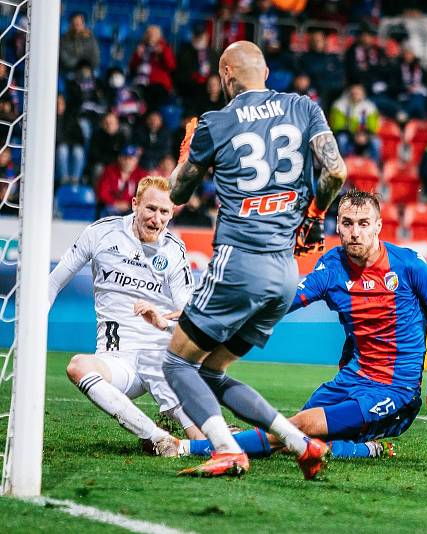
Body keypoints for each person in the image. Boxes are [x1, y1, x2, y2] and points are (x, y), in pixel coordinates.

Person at [161, 40, 347, 478]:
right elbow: (335, 171)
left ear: (227, 75)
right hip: (284, 273)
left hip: (238, 263)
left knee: (176, 362)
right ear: (265, 72)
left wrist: (189, 154)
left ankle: (225, 450)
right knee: (210, 371)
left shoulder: (216, 122)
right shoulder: (303, 107)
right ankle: (301, 443)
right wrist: (316, 215)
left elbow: (175, 194)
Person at [179, 190, 427, 460]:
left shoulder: (410, 266)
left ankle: (186, 448)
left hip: (394, 389)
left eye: (363, 223)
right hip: (351, 379)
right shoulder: (333, 267)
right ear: (339, 226)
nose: (355, 232)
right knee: (295, 440)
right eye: (347, 223)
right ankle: (362, 449)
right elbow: (285, 301)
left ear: (378, 226)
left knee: (294, 429)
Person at [48, 177, 201, 457]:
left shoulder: (174, 251)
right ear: (135, 204)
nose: (157, 219)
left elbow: (190, 317)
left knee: (205, 441)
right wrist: (33, 324)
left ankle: (210, 435)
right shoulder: (101, 234)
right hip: (117, 362)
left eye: (164, 212)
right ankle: (157, 436)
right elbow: (54, 282)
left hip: (160, 359)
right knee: (78, 366)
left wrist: (163, 321)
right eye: (151, 209)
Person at [129, 25, 177, 112]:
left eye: (154, 34)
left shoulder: (164, 47)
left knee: (154, 94)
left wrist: (162, 53)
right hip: (141, 82)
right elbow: (132, 67)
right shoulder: (141, 47)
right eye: (149, 34)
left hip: (158, 84)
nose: (151, 36)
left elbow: (171, 66)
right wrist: (137, 55)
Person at [329, 84, 381, 162]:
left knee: (376, 142)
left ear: (363, 94)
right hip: (348, 135)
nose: (355, 96)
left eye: (358, 93)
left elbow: (373, 126)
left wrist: (364, 135)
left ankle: (374, 167)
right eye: (353, 93)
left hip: (365, 136)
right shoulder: (339, 106)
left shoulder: (370, 107)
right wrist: (354, 135)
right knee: (342, 139)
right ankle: (344, 164)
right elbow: (337, 126)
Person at [97, 145, 148, 216]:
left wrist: (129, 204)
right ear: (119, 158)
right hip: (112, 207)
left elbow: (145, 194)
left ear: (136, 160)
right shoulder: (109, 171)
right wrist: (115, 203)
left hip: (131, 207)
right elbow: (102, 193)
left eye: (131, 158)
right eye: (125, 158)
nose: (127, 161)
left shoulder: (141, 174)